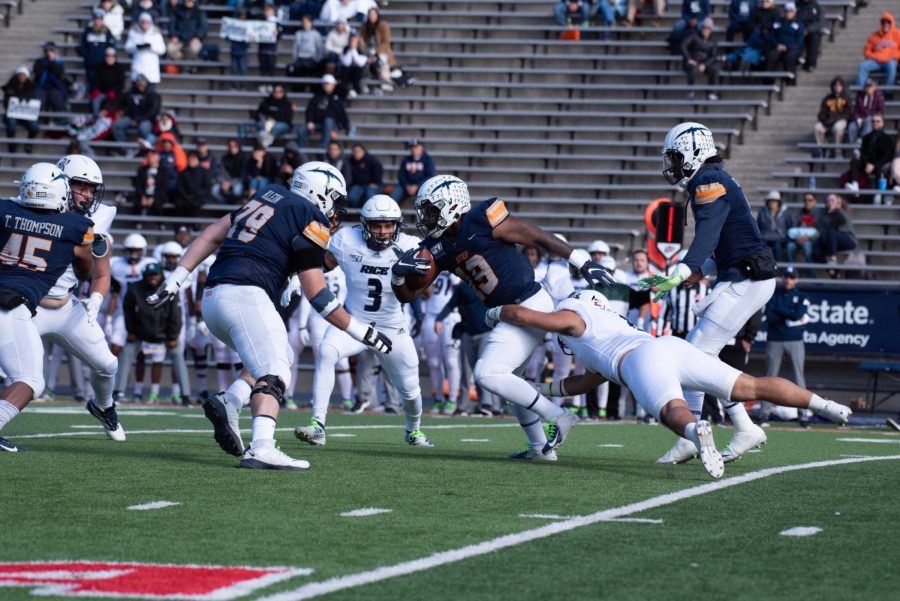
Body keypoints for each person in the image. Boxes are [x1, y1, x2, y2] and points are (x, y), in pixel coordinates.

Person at [148, 161, 394, 471]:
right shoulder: (310, 216)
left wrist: (176, 278)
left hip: (214, 297)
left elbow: (213, 233)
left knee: (276, 356)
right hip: (245, 294)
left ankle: (232, 400)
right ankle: (262, 446)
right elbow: (318, 296)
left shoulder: (268, 194)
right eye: (333, 198)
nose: (334, 209)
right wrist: (363, 332)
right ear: (318, 192)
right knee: (277, 369)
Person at [489, 290, 851, 478]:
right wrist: (542, 391)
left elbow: (522, 314)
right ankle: (827, 405)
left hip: (640, 360)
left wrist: (496, 311)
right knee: (750, 386)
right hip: (670, 345)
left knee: (670, 411)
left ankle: (695, 433)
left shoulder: (574, 317)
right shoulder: (611, 323)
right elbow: (583, 383)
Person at [392, 175, 615, 460]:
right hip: (507, 313)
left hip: (528, 303)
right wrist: (398, 275)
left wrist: (581, 262)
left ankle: (559, 415)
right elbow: (408, 295)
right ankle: (540, 449)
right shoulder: (438, 245)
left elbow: (535, 235)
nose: (426, 218)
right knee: (512, 382)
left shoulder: (481, 218)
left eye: (432, 210)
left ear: (452, 205)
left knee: (486, 373)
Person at [643, 121, 777, 465]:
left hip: (746, 279)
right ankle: (733, 427)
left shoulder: (706, 179)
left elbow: (709, 233)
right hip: (739, 276)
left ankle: (701, 434)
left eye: (675, 157)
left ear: (692, 151)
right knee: (698, 356)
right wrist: (701, 269)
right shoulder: (714, 176)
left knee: (695, 357)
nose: (672, 165)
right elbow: (729, 238)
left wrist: (686, 267)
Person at [292, 195, 433, 447]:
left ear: (397, 225)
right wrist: (294, 279)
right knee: (326, 351)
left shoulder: (411, 245)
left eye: (388, 225)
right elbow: (321, 264)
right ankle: (318, 425)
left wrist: (410, 274)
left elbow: (426, 291)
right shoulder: (346, 240)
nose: (382, 231)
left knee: (410, 389)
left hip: (392, 327)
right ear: (365, 224)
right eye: (377, 225)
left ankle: (413, 430)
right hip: (353, 322)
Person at [0, 163, 95, 453]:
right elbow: (85, 270)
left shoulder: (4, 210)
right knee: (30, 379)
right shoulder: (78, 227)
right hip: (11, 306)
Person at [30, 155, 121, 441]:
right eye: (82, 186)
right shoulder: (30, 209)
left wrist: (95, 300)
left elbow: (102, 274)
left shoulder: (96, 220)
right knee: (26, 378)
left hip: (67, 307)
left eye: (92, 189)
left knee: (108, 365)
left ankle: (103, 405)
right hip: (27, 305)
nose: (88, 195)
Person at [124, 262, 181, 404]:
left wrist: (173, 335)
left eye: (155, 274)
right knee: (140, 360)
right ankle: (137, 391)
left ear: (160, 274)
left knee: (157, 362)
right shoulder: (135, 288)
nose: (152, 277)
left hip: (161, 331)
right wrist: (131, 330)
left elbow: (175, 313)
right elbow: (128, 310)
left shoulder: (169, 287)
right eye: (149, 275)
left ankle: (154, 392)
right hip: (142, 331)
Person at [109, 233, 156, 401]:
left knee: (142, 353)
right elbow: (113, 291)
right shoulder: (115, 264)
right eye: (131, 251)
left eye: (137, 251)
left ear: (143, 251)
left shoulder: (150, 265)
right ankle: (112, 385)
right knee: (115, 348)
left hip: (144, 315)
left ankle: (137, 391)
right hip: (123, 312)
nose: (134, 255)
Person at [764, 266, 812, 424]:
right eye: (786, 276)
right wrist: (788, 313)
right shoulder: (773, 294)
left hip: (794, 340)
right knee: (769, 377)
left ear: (796, 279)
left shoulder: (801, 296)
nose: (788, 280)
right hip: (775, 339)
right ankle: (764, 413)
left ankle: (803, 414)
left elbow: (798, 314)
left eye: (791, 277)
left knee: (799, 377)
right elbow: (769, 316)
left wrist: (780, 310)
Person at [421, 271, 462, 414]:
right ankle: (438, 399)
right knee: (433, 362)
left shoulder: (455, 269)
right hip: (431, 315)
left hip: (451, 316)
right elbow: (425, 294)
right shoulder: (433, 268)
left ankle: (452, 399)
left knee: (451, 361)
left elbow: (459, 288)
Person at [297, 74, 349, 152]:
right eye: (325, 83)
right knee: (301, 129)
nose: (326, 86)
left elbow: (342, 114)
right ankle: (304, 152)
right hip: (317, 125)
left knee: (328, 121)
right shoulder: (316, 97)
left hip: (332, 125)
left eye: (328, 84)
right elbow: (309, 110)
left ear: (333, 85)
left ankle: (323, 149)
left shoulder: (337, 98)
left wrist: (345, 128)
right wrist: (309, 121)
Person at [847, 114, 894, 192]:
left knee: (880, 169)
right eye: (873, 121)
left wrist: (874, 165)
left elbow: (887, 156)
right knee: (855, 161)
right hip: (868, 163)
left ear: (883, 123)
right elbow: (863, 153)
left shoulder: (888, 138)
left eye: (878, 121)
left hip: (880, 164)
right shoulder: (866, 137)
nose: (875, 123)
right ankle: (854, 184)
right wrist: (867, 163)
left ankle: (878, 194)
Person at [112, 74, 161, 148]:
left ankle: (143, 149)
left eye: (143, 82)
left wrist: (139, 119)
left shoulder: (153, 95)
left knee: (143, 129)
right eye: (139, 82)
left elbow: (154, 111)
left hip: (146, 119)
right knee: (117, 126)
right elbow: (122, 104)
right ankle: (127, 149)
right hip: (131, 117)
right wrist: (122, 111)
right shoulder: (129, 93)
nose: (141, 84)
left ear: (147, 83)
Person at [855, 12, 899, 91]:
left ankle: (889, 92)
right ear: (881, 23)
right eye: (883, 22)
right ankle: (861, 92)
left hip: (890, 61)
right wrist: (876, 57)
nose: (886, 24)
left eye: (888, 22)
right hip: (876, 61)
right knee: (863, 66)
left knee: (892, 65)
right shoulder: (874, 36)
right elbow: (867, 51)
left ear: (892, 23)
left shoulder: (897, 34)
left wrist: (892, 56)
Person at [78, 9, 117, 93]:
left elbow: (111, 46)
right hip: (90, 64)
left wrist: (106, 59)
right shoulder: (87, 31)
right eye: (96, 18)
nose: (98, 21)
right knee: (91, 85)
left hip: (103, 65)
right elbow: (82, 46)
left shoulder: (107, 32)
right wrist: (87, 56)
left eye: (100, 19)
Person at [2, 66, 39, 154]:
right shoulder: (10, 86)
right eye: (20, 75)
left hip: (25, 115)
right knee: (11, 124)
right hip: (11, 114)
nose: (22, 77)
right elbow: (6, 103)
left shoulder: (31, 87)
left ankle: (29, 144)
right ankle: (11, 145)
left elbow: (34, 103)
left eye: (24, 75)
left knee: (34, 127)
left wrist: (26, 99)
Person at [682, 18, 719, 100]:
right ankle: (690, 91)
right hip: (693, 60)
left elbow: (714, 56)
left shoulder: (713, 41)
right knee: (693, 68)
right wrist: (688, 58)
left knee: (714, 70)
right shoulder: (694, 36)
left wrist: (705, 64)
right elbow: (683, 45)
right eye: (704, 27)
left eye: (708, 28)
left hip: (704, 62)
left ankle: (711, 92)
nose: (705, 30)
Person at [359, 7, 396, 89]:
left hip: (382, 52)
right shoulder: (365, 27)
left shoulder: (383, 25)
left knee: (380, 64)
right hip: (369, 52)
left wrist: (376, 51)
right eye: (370, 14)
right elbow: (363, 41)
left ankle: (384, 84)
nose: (372, 16)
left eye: (374, 14)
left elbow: (386, 42)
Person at [124, 13, 166, 85]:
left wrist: (151, 47)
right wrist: (136, 47)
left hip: (151, 68)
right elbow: (127, 48)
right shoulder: (133, 32)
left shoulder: (156, 34)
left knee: (150, 93)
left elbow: (162, 50)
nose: (145, 24)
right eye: (143, 22)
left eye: (147, 22)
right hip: (138, 66)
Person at [390, 138, 435, 203]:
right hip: (406, 188)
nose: (413, 149)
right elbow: (401, 175)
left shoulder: (428, 160)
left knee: (428, 195)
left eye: (415, 147)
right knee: (395, 192)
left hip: (422, 187)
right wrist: (407, 186)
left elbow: (430, 176)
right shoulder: (406, 160)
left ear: (421, 147)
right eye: (411, 147)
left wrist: (417, 186)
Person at [814, 77, 852, 154]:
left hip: (841, 119)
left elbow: (849, 112)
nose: (837, 87)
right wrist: (825, 120)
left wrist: (837, 118)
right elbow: (822, 112)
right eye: (835, 85)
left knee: (837, 128)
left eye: (839, 85)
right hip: (828, 120)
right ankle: (822, 150)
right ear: (833, 86)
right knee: (817, 127)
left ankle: (837, 151)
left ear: (842, 86)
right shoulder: (827, 98)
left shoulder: (847, 98)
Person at [765, 2, 804, 76]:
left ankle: (790, 80)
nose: (789, 13)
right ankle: (768, 81)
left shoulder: (799, 24)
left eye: (791, 11)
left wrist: (788, 47)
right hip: (777, 46)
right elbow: (771, 35)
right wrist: (777, 45)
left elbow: (799, 40)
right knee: (771, 56)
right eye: (787, 11)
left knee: (789, 57)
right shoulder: (777, 22)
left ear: (794, 12)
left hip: (793, 48)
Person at [32, 42, 69, 116]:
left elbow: (59, 74)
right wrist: (45, 62)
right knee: (38, 101)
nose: (49, 52)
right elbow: (37, 72)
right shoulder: (39, 62)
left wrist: (52, 61)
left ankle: (60, 120)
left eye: (51, 50)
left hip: (54, 86)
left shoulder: (58, 62)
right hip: (41, 86)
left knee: (57, 99)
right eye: (47, 51)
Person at [787, 193, 825, 264]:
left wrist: (807, 238)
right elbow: (793, 227)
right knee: (790, 246)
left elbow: (821, 231)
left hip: (814, 240)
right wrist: (797, 238)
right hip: (798, 239)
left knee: (806, 245)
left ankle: (812, 273)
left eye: (810, 200)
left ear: (815, 201)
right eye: (805, 200)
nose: (807, 202)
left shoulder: (820, 214)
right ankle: (792, 272)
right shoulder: (799, 213)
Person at [253, 84, 295, 149]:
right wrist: (267, 120)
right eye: (275, 91)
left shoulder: (287, 104)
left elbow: (288, 119)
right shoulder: (266, 102)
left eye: (280, 91)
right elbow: (258, 114)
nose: (277, 93)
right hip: (266, 123)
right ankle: (265, 139)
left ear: (283, 92)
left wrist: (274, 120)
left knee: (279, 127)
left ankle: (264, 142)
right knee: (259, 124)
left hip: (280, 124)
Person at [821, 193, 857, 266]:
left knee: (832, 232)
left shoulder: (843, 211)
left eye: (832, 200)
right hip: (833, 242)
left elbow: (844, 220)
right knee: (817, 250)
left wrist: (837, 209)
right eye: (828, 201)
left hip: (848, 239)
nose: (830, 203)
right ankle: (832, 272)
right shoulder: (825, 214)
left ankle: (833, 259)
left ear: (837, 201)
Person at [173, 150, 211, 217]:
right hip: (185, 197)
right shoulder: (183, 172)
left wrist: (197, 194)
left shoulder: (204, 172)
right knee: (179, 203)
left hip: (198, 197)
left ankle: (194, 225)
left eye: (193, 158)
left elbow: (207, 187)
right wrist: (186, 196)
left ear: (198, 160)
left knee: (195, 204)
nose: (191, 160)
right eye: (189, 158)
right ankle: (181, 225)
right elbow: (179, 187)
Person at [848, 78, 886, 145]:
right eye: (867, 86)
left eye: (870, 86)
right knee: (851, 126)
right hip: (860, 119)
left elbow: (880, 111)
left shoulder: (879, 97)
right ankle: (853, 147)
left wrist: (869, 117)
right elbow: (856, 111)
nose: (868, 88)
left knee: (869, 120)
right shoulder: (859, 97)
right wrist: (859, 119)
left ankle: (863, 141)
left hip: (872, 119)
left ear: (874, 87)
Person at [133, 148, 170, 215]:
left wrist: (154, 197)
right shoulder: (142, 170)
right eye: (149, 155)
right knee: (137, 203)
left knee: (158, 204)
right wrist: (142, 196)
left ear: (158, 157)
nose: (150, 157)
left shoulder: (164, 171)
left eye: (153, 155)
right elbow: (138, 185)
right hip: (144, 194)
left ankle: (160, 223)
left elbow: (163, 187)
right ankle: (137, 223)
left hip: (158, 196)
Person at [90, 47, 127, 115]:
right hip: (102, 92)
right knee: (95, 100)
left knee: (112, 102)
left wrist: (114, 90)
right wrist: (96, 89)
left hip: (115, 93)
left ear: (115, 57)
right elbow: (96, 81)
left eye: (112, 56)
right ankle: (96, 118)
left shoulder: (120, 68)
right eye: (107, 56)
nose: (109, 58)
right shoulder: (100, 67)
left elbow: (121, 84)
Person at [756, 190, 791, 261]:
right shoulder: (762, 211)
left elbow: (789, 226)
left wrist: (784, 235)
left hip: (780, 237)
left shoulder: (785, 213)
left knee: (777, 245)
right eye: (770, 200)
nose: (772, 202)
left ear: (779, 202)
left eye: (775, 200)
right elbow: (758, 225)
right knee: (761, 246)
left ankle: (777, 267)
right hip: (765, 236)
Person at [287, 15, 324, 79]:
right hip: (300, 58)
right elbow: (295, 48)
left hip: (311, 59)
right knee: (291, 69)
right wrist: (295, 59)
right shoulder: (298, 33)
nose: (306, 24)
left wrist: (316, 59)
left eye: (307, 22)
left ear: (311, 23)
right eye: (304, 22)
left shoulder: (316, 34)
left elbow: (320, 49)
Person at [796, 0, 823, 71]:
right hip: (797, 30)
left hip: (811, 31)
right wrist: (801, 30)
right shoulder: (796, 5)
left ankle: (811, 63)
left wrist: (808, 30)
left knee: (814, 37)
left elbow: (819, 22)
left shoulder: (816, 6)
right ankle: (796, 61)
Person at [340, 32, 368, 98]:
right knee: (345, 69)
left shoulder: (362, 50)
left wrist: (354, 50)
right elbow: (346, 63)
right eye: (352, 40)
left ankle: (356, 90)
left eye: (355, 41)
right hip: (347, 71)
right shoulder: (346, 49)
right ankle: (345, 90)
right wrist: (351, 50)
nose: (353, 42)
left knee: (358, 69)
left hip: (360, 72)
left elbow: (360, 63)